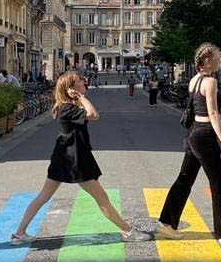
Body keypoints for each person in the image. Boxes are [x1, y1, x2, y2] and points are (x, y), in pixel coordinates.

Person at [10, 71, 149, 244]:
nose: (83, 82)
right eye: (79, 81)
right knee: (101, 197)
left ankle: (19, 234)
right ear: (71, 89)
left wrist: (78, 98)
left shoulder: (65, 106)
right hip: (75, 160)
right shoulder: (67, 108)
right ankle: (128, 231)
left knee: (44, 196)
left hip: (64, 157)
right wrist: (81, 98)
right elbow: (94, 114)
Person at [157, 43, 221, 245]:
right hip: (205, 135)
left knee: (184, 179)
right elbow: (213, 113)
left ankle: (166, 223)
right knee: (218, 183)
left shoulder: (194, 80)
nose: (220, 60)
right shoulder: (210, 82)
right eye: (217, 57)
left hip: (193, 133)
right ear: (207, 61)